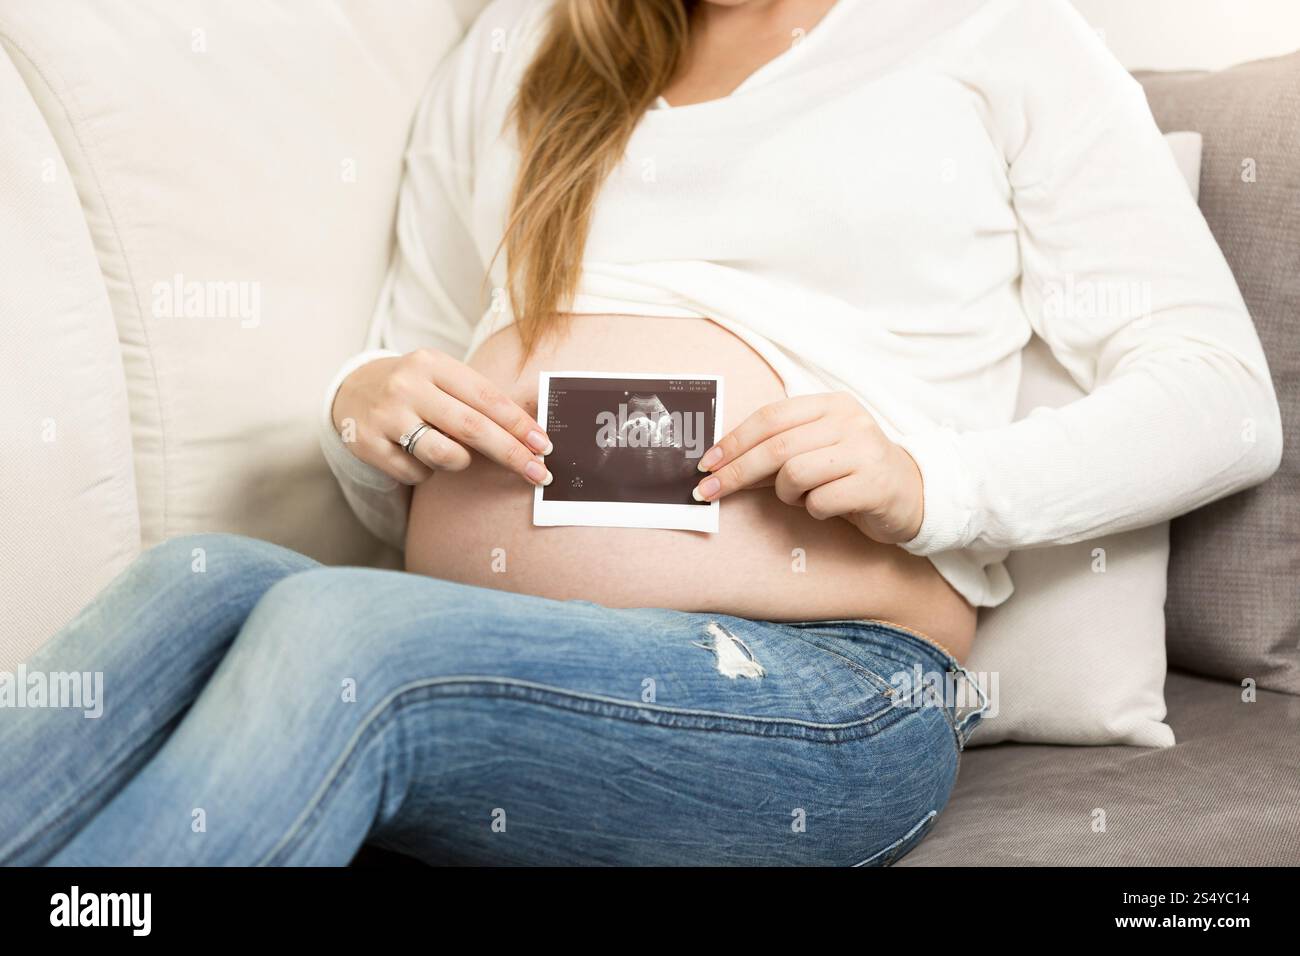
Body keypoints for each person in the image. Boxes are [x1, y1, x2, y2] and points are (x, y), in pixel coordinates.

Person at [1, 0, 1281, 866]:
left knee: (343, 631)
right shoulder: (525, 40)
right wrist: (370, 405)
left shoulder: (991, 34)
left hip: (823, 677)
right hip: (494, 623)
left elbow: (1219, 395)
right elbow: (416, 357)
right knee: (201, 579)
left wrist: (938, 481)